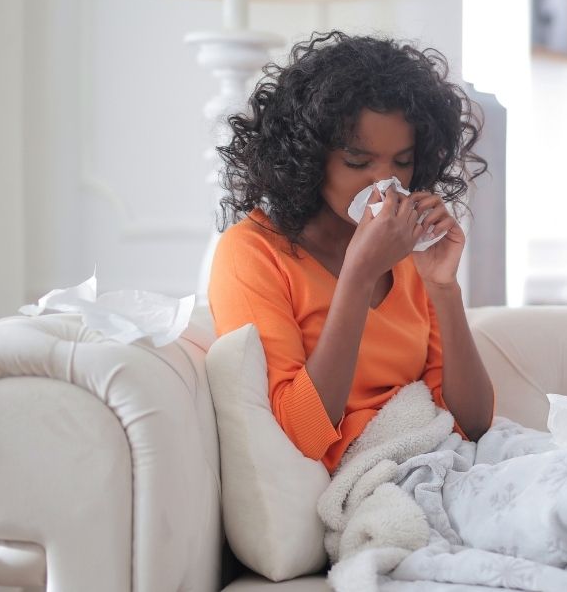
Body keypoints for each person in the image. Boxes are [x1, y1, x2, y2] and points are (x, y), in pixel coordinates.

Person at [207, 30, 495, 474]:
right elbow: (300, 434)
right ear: (308, 157)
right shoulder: (252, 253)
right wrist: (359, 277)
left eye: (402, 161)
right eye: (358, 163)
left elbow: (473, 424)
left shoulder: (411, 251)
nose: (385, 183)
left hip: (444, 464)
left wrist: (443, 288)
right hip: (378, 479)